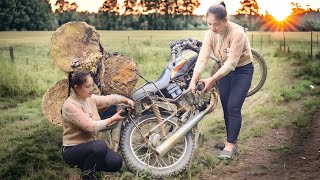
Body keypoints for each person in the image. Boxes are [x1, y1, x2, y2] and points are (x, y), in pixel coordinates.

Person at [187, 2, 253, 160]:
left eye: (215, 24)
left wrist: (212, 79)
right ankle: (230, 139)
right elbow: (202, 58)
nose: (212, 28)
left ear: (225, 20)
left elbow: (231, 63)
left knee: (233, 107)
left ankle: (230, 145)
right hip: (223, 72)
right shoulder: (209, 34)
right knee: (225, 106)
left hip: (242, 71)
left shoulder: (237, 33)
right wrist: (193, 80)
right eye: (209, 24)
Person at [61, 70, 135, 179]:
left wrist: (126, 100)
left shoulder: (89, 98)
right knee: (100, 146)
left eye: (92, 85)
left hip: (90, 148)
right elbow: (91, 127)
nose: (91, 89)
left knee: (116, 162)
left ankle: (87, 165)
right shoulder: (70, 106)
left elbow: (109, 99)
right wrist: (113, 118)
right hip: (72, 150)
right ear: (76, 88)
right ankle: (87, 175)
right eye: (87, 86)